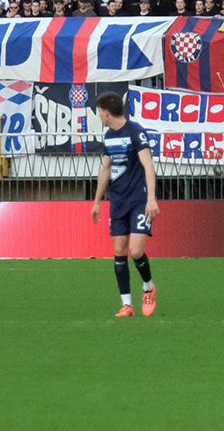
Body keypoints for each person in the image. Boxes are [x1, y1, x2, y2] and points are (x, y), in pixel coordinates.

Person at [90, 92, 159, 317]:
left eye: (99, 111)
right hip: (117, 201)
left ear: (106, 112)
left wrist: (151, 198)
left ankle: (148, 287)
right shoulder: (109, 137)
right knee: (119, 250)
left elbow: (148, 165)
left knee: (136, 251)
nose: (99, 115)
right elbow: (105, 169)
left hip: (139, 200)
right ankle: (127, 304)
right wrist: (97, 201)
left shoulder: (136, 132)